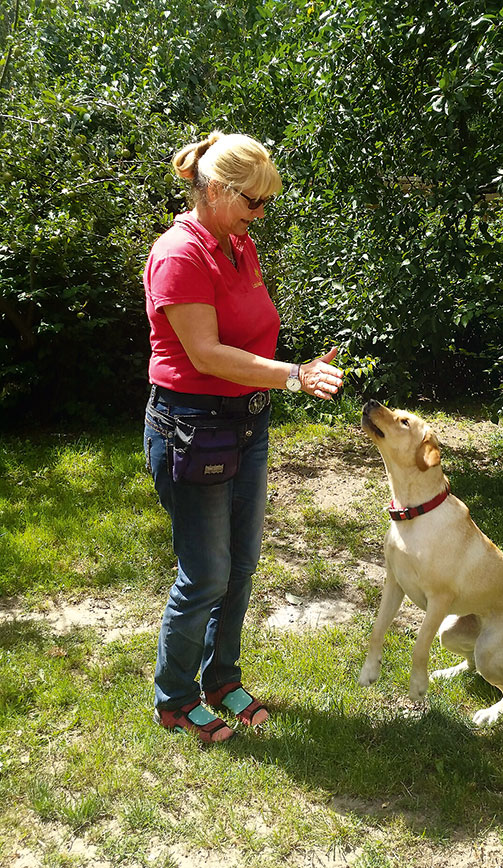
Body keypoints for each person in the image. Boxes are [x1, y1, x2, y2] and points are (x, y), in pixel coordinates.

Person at [143, 131, 343, 743]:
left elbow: (248, 334)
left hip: (246, 424)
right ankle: (174, 699)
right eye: (254, 203)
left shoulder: (238, 245)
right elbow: (205, 355)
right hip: (191, 428)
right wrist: (292, 374)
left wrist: (285, 378)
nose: (262, 214)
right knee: (205, 573)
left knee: (241, 566)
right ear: (221, 192)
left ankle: (220, 680)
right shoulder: (180, 254)